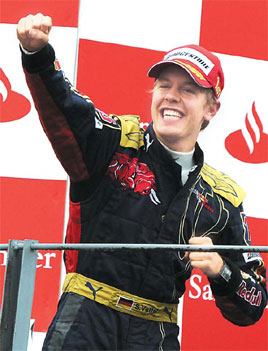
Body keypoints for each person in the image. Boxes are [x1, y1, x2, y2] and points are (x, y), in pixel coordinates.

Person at [17, 13, 267, 351]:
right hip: (85, 322)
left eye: (188, 90)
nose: (171, 96)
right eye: (164, 85)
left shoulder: (222, 199)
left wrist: (222, 270)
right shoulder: (115, 142)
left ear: (211, 108)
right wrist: (38, 57)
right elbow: (66, 109)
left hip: (157, 336)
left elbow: (252, 304)